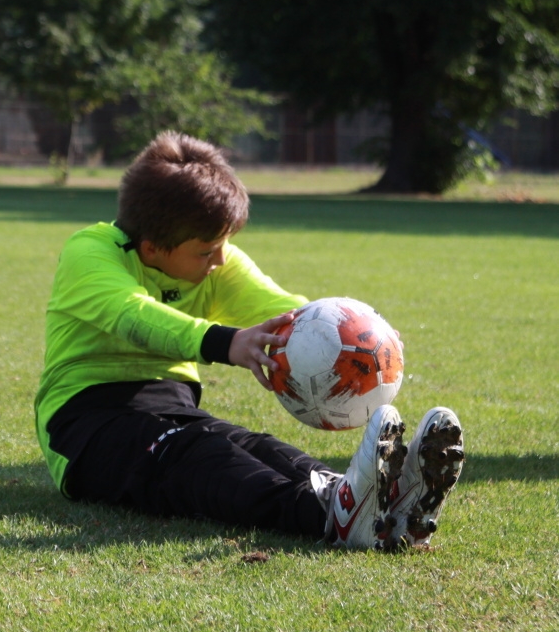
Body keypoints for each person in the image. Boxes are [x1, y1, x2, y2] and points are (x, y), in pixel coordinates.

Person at [34, 132, 465, 550]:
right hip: (86, 427)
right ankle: (329, 515)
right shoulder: (90, 252)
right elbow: (132, 316)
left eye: (224, 245)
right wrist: (226, 343)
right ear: (151, 249)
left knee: (254, 446)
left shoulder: (214, 264)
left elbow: (287, 311)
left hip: (171, 409)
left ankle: (382, 506)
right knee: (198, 456)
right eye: (206, 250)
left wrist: (363, 334)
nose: (220, 260)